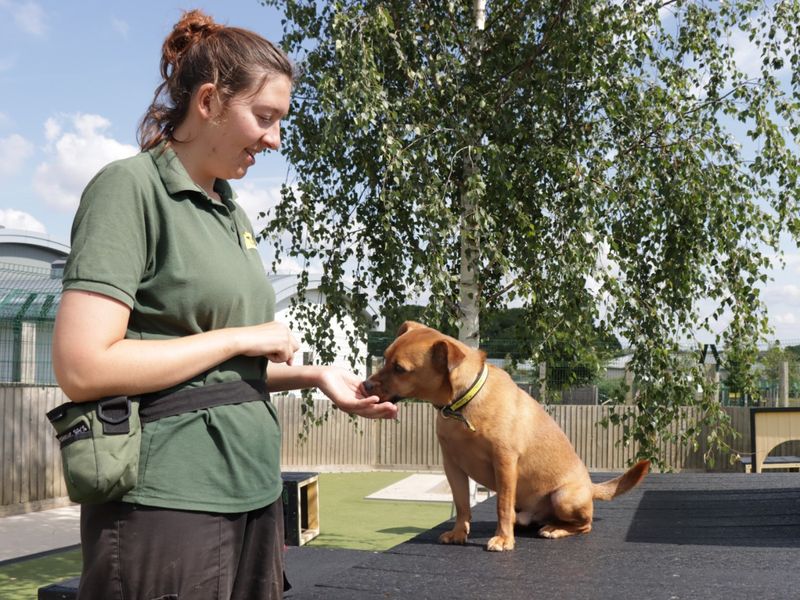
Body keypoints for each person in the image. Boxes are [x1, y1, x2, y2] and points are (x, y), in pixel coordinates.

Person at [52, 9, 398, 600]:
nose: (274, 139)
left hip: (253, 490)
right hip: (166, 498)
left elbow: (218, 369)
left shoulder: (231, 212)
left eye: (279, 121)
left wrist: (315, 376)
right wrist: (242, 337)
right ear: (209, 101)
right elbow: (83, 367)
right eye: (264, 118)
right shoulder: (130, 189)